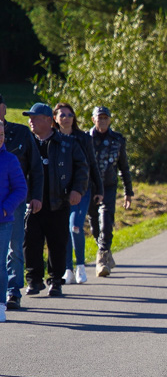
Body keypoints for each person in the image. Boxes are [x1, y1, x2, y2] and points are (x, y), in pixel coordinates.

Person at [22, 103, 88, 297]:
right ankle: (34, 280)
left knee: (57, 242)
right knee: (31, 241)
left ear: (49, 121)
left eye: (35, 118)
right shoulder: (27, 143)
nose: (31, 121)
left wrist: (77, 190)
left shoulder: (68, 143)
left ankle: (56, 281)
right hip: (32, 202)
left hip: (58, 201)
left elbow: (82, 168)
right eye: (30, 118)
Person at [1, 94, 44, 311]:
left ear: (4, 109)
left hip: (15, 202)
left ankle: (12, 291)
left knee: (15, 247)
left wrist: (36, 196)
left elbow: (36, 167)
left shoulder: (20, 133)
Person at [53, 103, 103, 285]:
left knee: (75, 226)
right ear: (55, 118)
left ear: (74, 118)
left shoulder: (83, 138)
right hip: (59, 192)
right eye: (62, 115)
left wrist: (100, 190)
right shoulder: (52, 138)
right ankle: (68, 269)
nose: (66, 118)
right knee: (65, 228)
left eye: (69, 115)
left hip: (82, 190)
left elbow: (92, 164)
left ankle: (80, 266)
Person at [88, 106, 133, 277]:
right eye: (99, 118)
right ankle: (106, 252)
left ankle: (101, 258)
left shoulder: (117, 140)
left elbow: (124, 167)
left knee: (106, 220)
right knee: (94, 224)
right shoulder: (85, 139)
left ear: (110, 120)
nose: (103, 121)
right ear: (93, 120)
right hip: (90, 187)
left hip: (108, 186)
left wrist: (128, 191)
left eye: (106, 118)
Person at [0, 123, 28, 322]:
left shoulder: (10, 160)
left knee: (0, 264)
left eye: (1, 134)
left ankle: (1, 304)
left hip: (3, 221)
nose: (0, 137)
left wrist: (5, 208)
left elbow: (20, 189)